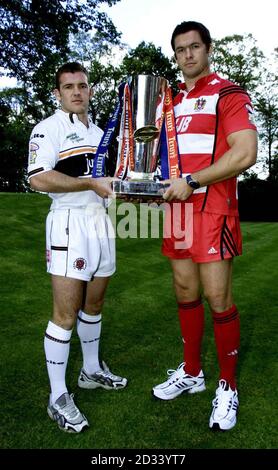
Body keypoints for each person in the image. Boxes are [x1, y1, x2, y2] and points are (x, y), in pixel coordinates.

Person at [152, 21, 257, 431]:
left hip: (212, 207)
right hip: (176, 211)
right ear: (175, 55)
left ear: (208, 49)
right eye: (180, 50)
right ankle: (193, 373)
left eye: (195, 47)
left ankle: (227, 386)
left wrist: (193, 181)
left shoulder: (228, 93)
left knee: (218, 297)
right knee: (184, 291)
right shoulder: (169, 102)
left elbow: (245, 153)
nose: (188, 55)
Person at [28, 62, 127, 434]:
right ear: (58, 93)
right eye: (68, 87)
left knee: (95, 304)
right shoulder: (48, 128)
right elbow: (38, 178)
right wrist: (89, 183)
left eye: (82, 86)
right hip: (69, 223)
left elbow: (110, 182)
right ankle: (57, 396)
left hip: (100, 222)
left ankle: (89, 370)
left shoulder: (101, 133)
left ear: (89, 90)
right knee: (65, 314)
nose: (76, 92)